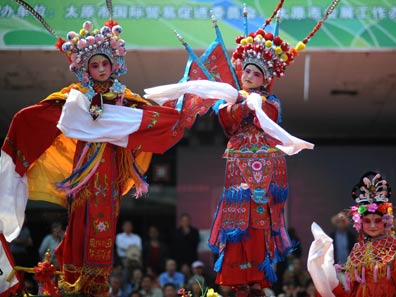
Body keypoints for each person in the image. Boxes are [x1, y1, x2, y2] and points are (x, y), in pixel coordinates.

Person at [0, 12, 184, 296]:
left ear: (114, 65)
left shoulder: (126, 100)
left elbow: (150, 120)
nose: (100, 68)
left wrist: (180, 114)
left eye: (104, 63)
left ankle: (98, 284)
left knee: (105, 224)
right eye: (94, 64)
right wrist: (25, 123)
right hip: (84, 170)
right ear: (86, 69)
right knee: (81, 220)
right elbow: (47, 115)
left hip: (110, 170)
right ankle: (74, 278)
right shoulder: (76, 97)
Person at [207, 25, 314, 296]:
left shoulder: (272, 102)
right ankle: (238, 279)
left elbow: (265, 117)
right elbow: (227, 120)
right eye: (247, 71)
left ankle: (256, 279)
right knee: (237, 217)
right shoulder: (229, 99)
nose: (249, 76)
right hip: (238, 166)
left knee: (260, 218)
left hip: (266, 168)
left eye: (256, 73)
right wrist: (243, 104)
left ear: (266, 79)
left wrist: (250, 104)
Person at [308, 171, 396, 297]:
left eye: (377, 221)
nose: (372, 225)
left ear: (386, 221)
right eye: (367, 221)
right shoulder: (358, 248)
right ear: (360, 223)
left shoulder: (394, 245)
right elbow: (352, 286)